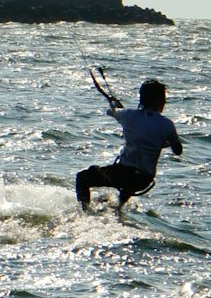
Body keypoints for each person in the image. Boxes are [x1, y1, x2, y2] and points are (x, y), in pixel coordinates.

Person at [75, 72, 181, 209]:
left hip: (123, 174)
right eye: (164, 99)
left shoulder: (128, 115)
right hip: (144, 180)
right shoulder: (167, 124)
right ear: (159, 101)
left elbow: (112, 111)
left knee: (83, 177)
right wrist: (160, 143)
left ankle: (85, 212)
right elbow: (178, 150)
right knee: (127, 185)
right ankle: (118, 209)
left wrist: (114, 105)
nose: (165, 102)